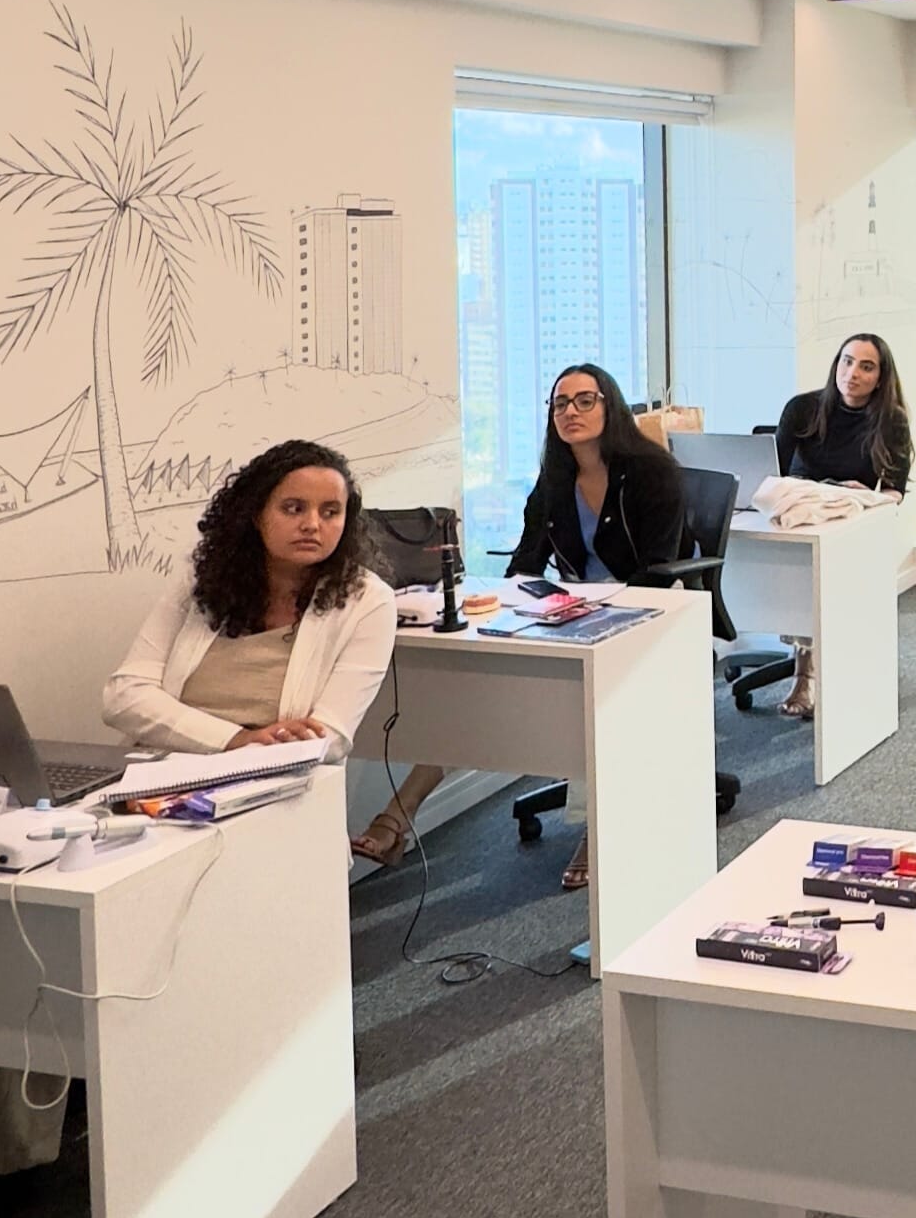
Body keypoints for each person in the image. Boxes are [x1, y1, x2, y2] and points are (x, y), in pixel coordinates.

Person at [350, 364, 682, 885]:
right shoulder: (555, 480)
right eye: (560, 403)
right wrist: (506, 604)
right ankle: (399, 814)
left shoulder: (652, 471)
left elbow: (658, 570)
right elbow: (527, 561)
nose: (570, 412)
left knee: (595, 702)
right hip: (575, 613)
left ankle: (599, 828)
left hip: (649, 616)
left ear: (610, 406)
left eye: (585, 400)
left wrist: (594, 609)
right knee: (479, 694)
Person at [104, 439, 396, 757]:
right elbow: (123, 698)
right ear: (256, 514)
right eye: (293, 508)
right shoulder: (202, 579)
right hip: (160, 766)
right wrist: (236, 738)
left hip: (273, 774)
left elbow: (329, 738)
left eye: (330, 512)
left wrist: (251, 748)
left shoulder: (368, 601)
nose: (312, 525)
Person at [772, 334, 914, 720]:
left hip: (849, 522)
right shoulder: (802, 408)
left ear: (880, 378)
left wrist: (865, 496)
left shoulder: (891, 421)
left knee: (818, 578)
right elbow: (774, 471)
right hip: (798, 514)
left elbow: (895, 491)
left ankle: (807, 673)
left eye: (866, 367)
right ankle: (807, 668)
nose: (852, 373)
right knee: (799, 574)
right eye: (847, 361)